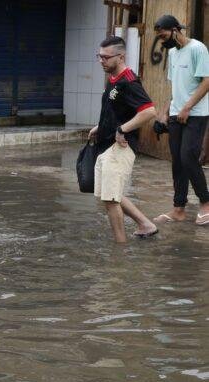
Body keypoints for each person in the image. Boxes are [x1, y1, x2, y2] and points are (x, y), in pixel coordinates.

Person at [88, 36, 159, 242]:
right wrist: (100, 127)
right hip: (107, 145)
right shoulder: (113, 79)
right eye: (99, 56)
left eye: (106, 57)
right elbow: (117, 110)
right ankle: (145, 224)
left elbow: (149, 111)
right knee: (110, 195)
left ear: (121, 57)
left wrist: (122, 129)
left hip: (121, 146)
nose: (101, 61)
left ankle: (119, 248)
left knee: (111, 199)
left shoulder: (129, 82)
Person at [152, 15, 209, 226]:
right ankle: (179, 209)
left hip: (196, 114)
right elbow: (176, 88)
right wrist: (164, 114)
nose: (162, 40)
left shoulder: (197, 49)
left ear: (175, 30)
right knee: (177, 161)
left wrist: (187, 107)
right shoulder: (173, 53)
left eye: (164, 35)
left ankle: (206, 203)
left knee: (188, 157)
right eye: (159, 37)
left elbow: (207, 81)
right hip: (176, 114)